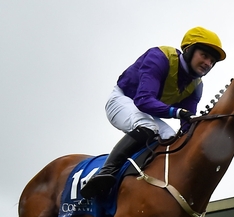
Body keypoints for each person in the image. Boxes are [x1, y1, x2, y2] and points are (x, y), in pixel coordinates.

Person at [81, 27, 226, 199]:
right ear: (189, 50)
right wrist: (177, 112)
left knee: (172, 139)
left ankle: (144, 181)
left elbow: (186, 124)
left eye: (212, 61)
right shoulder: (160, 58)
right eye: (204, 55)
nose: (208, 64)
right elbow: (143, 100)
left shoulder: (196, 86)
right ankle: (105, 173)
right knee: (147, 126)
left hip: (147, 112)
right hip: (122, 99)